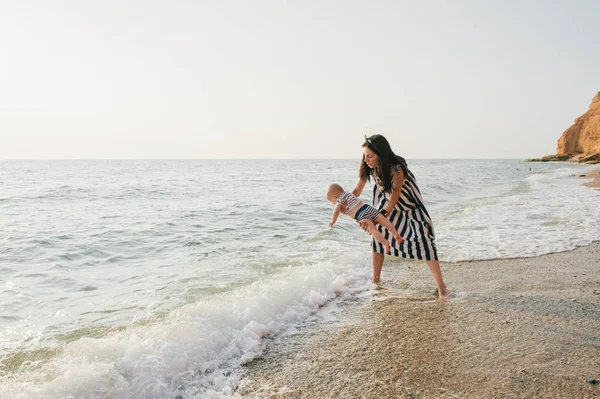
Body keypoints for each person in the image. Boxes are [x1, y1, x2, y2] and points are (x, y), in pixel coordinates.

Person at [352, 134, 449, 300]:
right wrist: (344, 205)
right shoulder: (369, 166)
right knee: (377, 238)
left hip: (409, 206)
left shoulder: (397, 169)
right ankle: (375, 281)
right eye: (365, 156)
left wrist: (375, 217)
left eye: (370, 156)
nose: (366, 160)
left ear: (381, 155)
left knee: (424, 241)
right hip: (386, 202)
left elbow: (392, 202)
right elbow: (356, 192)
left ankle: (442, 288)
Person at [326, 183, 404, 255]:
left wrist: (333, 221)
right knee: (383, 220)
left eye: (331, 201)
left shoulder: (339, 201)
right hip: (367, 207)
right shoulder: (348, 193)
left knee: (373, 230)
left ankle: (385, 243)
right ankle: (395, 233)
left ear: (335, 197)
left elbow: (335, 211)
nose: (333, 203)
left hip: (360, 214)